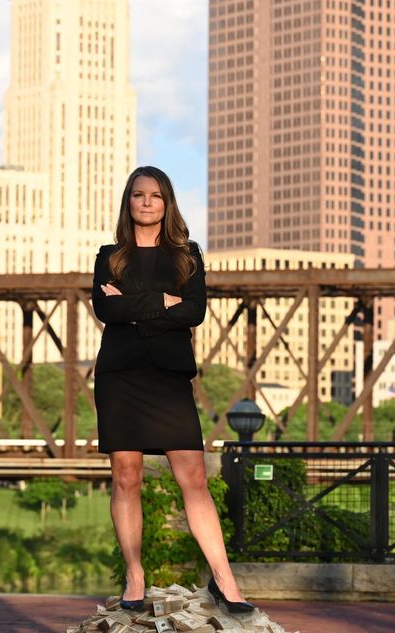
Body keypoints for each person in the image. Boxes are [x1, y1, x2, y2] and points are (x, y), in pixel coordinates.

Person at [91, 166, 253, 615]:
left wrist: (134, 305)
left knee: (195, 478)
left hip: (168, 378)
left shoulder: (188, 255)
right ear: (128, 202)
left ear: (167, 203)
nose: (147, 202)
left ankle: (225, 580)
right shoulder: (110, 256)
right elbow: (106, 308)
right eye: (139, 195)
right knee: (126, 477)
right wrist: (164, 301)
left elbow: (195, 312)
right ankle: (135, 576)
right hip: (120, 376)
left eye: (156, 195)